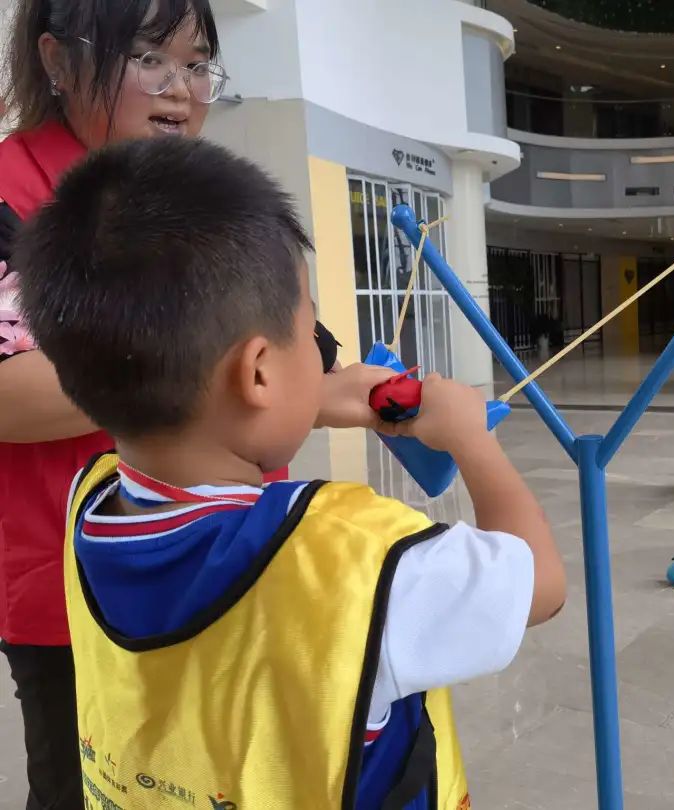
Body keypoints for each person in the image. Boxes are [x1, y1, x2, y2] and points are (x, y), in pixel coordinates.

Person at [14, 136, 566, 808]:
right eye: (309, 334)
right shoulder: (357, 564)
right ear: (257, 373)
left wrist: (308, 401)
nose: (318, 352)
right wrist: (472, 440)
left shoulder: (89, 500)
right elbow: (541, 586)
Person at [0, 2, 369, 806]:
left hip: (239, 557)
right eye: (148, 59)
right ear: (57, 61)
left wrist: (346, 391)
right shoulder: (11, 193)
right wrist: (200, 358)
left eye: (198, 64)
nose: (182, 89)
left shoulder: (208, 196)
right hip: (79, 588)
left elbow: (296, 358)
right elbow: (9, 396)